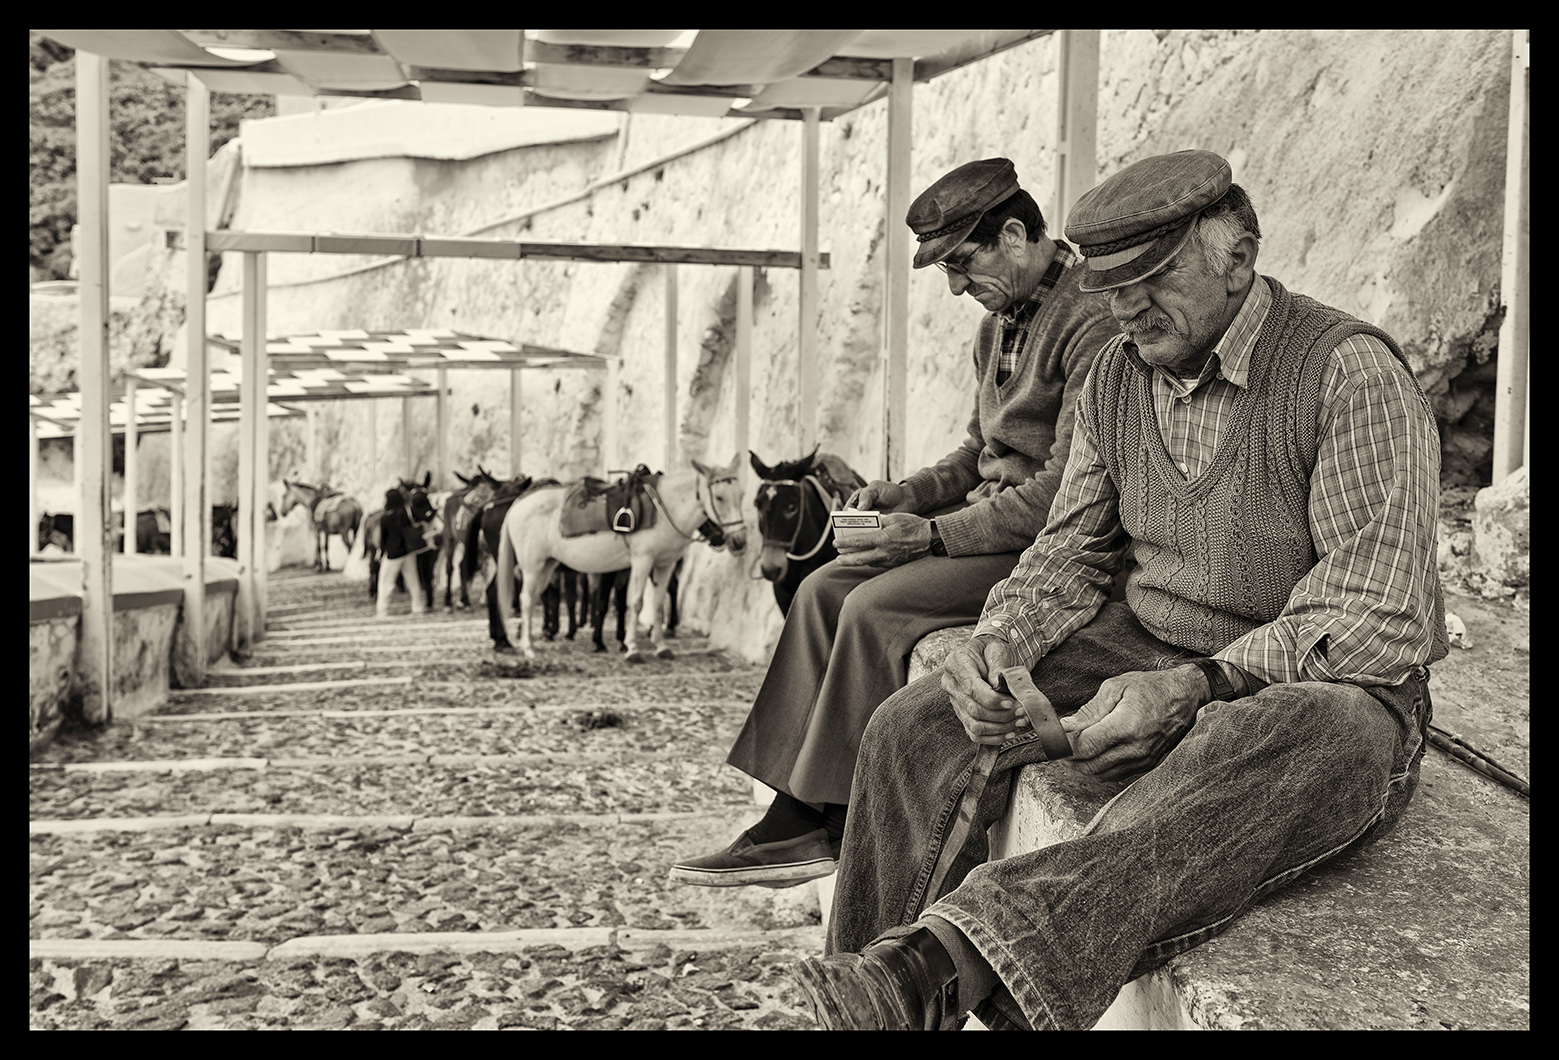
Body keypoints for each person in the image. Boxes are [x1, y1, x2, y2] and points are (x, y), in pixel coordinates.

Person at [789, 148, 1449, 1031]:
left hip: (1314, 682)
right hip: (1143, 639)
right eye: (1107, 284)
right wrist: (999, 646)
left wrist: (1197, 686)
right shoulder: (1113, 377)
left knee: (1289, 739)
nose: (1124, 306)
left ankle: (939, 964)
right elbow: (1068, 552)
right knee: (914, 726)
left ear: (1238, 257)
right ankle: (870, 1001)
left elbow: (1378, 610)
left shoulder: (1345, 373)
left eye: (1151, 277)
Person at [670, 158, 1120, 888]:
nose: (953, 286)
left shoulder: (1090, 322)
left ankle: (836, 816)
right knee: (821, 588)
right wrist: (905, 494)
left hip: (1049, 542)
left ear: (1013, 234)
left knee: (873, 609)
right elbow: (980, 452)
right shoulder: (998, 322)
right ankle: (792, 813)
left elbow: (1058, 497)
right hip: (985, 521)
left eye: (960, 263)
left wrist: (933, 534)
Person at [376, 488, 427, 619]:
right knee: (413, 581)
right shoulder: (405, 512)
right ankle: (418, 607)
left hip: (393, 553)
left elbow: (383, 538)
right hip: (408, 551)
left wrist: (381, 552)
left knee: (385, 583)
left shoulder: (385, 518)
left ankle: (382, 611)